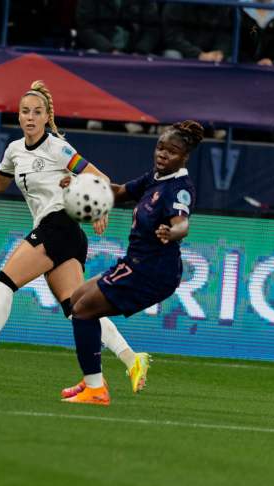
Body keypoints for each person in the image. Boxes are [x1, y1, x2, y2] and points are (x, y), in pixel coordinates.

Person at [0, 80, 152, 394]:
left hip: (59, 224)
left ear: (47, 117)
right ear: (18, 115)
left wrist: (101, 209)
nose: (30, 117)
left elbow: (99, 177)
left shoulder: (57, 148)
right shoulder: (14, 150)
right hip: (65, 234)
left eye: (37, 112)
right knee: (78, 308)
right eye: (25, 111)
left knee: (3, 283)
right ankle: (132, 359)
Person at [61, 121, 203, 405]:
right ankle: (93, 377)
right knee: (75, 299)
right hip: (135, 263)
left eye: (172, 151)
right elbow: (119, 191)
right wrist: (81, 185)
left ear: (184, 157)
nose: (163, 154)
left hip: (153, 272)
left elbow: (182, 224)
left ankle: (96, 390)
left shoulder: (179, 188)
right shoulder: (155, 178)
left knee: (83, 311)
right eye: (160, 147)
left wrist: (171, 232)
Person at [76, 0, 162, 56]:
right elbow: (85, 28)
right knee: (92, 54)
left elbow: (152, 29)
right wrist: (109, 49)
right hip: (100, 50)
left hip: (136, 52)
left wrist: (140, 51)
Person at [162, 3, 233, 62]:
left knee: (230, 60)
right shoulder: (176, 4)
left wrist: (218, 52)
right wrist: (199, 54)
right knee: (172, 55)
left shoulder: (222, 5)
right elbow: (173, 37)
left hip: (211, 53)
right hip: (184, 51)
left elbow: (225, 36)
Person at [240, 0, 274, 66]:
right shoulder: (238, 8)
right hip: (241, 64)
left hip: (272, 67)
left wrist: (271, 59)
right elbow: (232, 38)